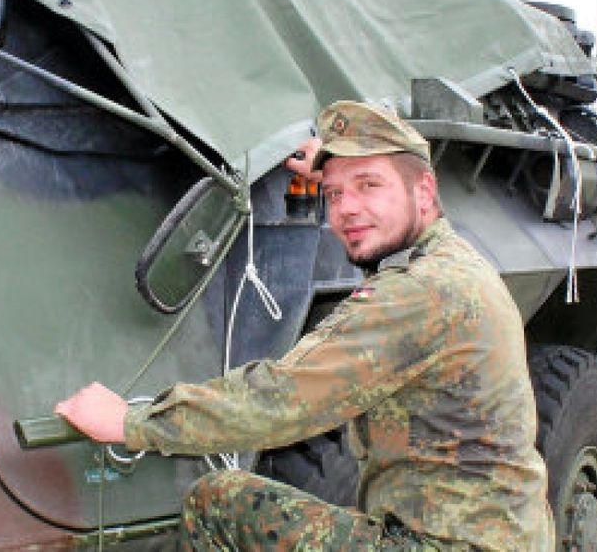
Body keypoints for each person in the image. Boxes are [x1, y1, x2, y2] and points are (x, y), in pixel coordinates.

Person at [55, 100, 553, 550]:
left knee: (219, 499)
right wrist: (349, 175)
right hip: (503, 533)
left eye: (369, 185)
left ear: (424, 191)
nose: (346, 209)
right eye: (334, 196)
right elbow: (389, 214)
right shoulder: (453, 262)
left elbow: (280, 400)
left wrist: (130, 423)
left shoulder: (417, 293)